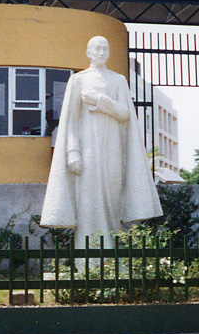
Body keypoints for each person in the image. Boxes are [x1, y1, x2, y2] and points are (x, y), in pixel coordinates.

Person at [41, 36, 162, 248]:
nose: (101, 52)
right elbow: (71, 120)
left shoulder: (118, 80)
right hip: (87, 147)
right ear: (88, 52)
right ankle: (87, 252)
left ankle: (112, 251)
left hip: (113, 147)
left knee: (113, 196)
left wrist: (101, 101)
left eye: (105, 48)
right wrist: (73, 151)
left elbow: (125, 113)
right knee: (87, 198)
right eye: (97, 48)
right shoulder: (78, 80)